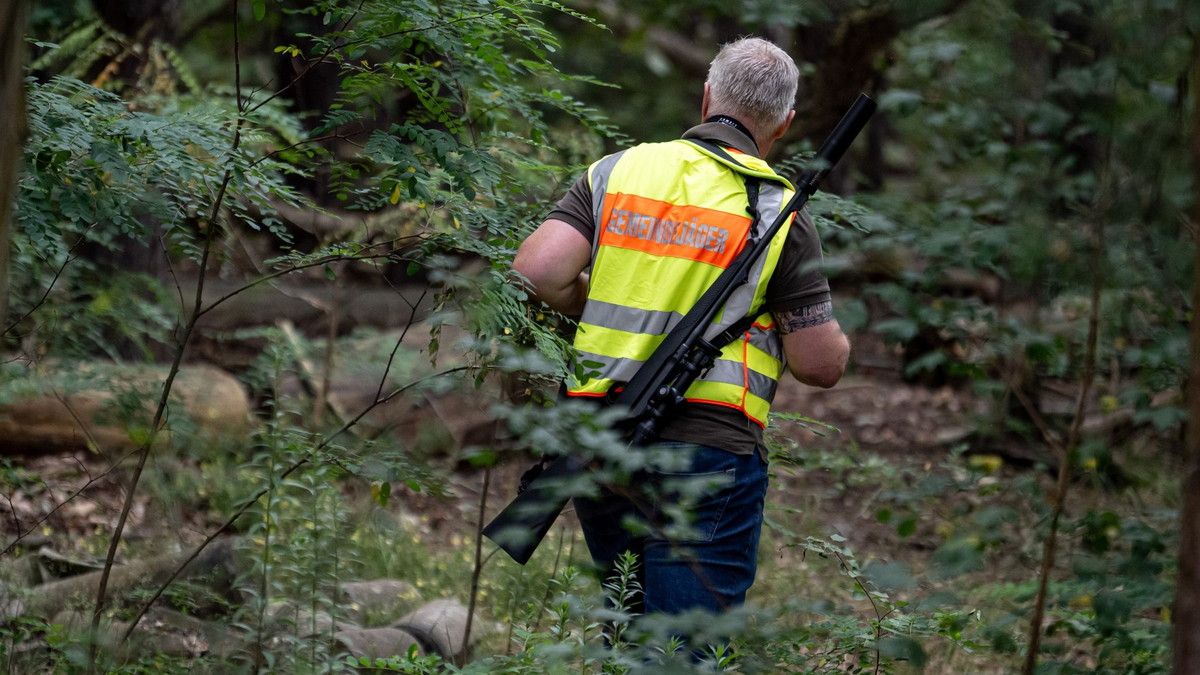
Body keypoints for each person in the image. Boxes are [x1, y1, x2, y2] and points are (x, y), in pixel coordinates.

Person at [512, 37, 850, 620]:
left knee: (627, 631)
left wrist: (596, 300)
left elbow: (535, 273)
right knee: (682, 648)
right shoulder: (778, 212)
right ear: (785, 123)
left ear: (706, 97)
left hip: (599, 437)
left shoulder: (618, 171)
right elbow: (820, 365)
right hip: (708, 446)